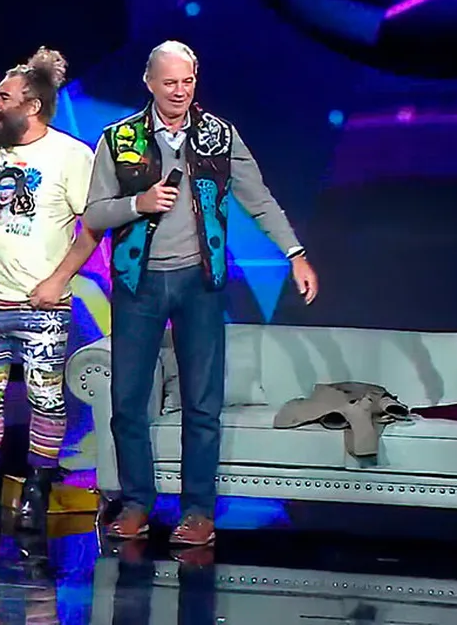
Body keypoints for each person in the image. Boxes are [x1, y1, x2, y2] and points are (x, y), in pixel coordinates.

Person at [85, 41, 319, 546]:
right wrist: (139, 203)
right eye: (170, 83)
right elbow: (95, 213)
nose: (179, 92)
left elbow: (259, 199)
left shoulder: (219, 136)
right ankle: (136, 503)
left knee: (202, 402)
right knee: (128, 400)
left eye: (187, 82)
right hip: (138, 283)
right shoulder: (119, 139)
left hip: (200, 283)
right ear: (149, 82)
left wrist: (294, 253)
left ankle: (197, 512)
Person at [0, 47, 100, 532]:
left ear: (31, 105)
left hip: (41, 308)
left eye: (3, 97)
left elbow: (94, 228)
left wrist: (58, 281)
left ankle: (37, 490)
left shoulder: (71, 156)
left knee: (46, 400)